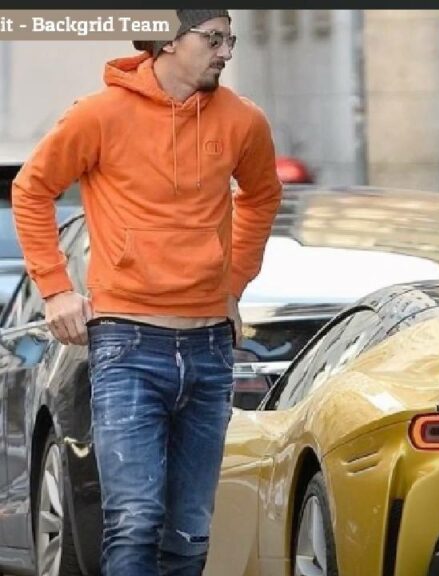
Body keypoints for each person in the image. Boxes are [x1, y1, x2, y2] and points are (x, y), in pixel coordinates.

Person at [11, 9, 282, 576]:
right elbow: (32, 189)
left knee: (189, 533)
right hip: (127, 346)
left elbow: (261, 197)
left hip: (209, 348)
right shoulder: (101, 114)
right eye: (212, 39)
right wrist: (57, 290)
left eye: (230, 39)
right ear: (167, 40)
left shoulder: (243, 120)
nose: (225, 52)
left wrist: (234, 284)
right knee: (133, 522)